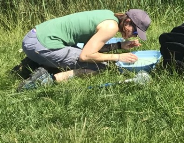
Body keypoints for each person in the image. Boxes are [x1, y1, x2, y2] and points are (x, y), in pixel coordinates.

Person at [17, 9, 151, 91]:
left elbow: (92, 48)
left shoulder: (108, 16)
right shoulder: (111, 27)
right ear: (128, 21)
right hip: (42, 45)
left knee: (90, 57)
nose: (133, 35)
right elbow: (86, 56)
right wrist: (118, 57)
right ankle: (47, 79)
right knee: (101, 66)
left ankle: (32, 63)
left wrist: (120, 46)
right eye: (135, 32)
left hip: (33, 38)